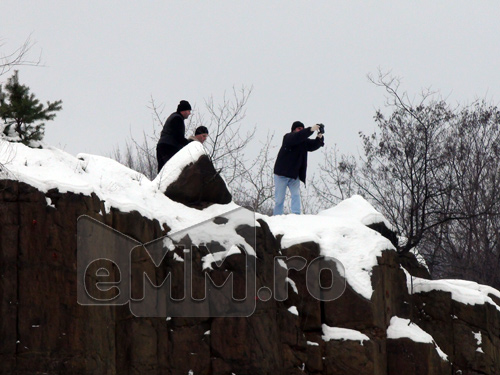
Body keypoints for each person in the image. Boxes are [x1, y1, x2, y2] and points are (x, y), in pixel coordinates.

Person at [273, 121, 324, 215]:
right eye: (298, 128)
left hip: (294, 175)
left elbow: (313, 145)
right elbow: (297, 137)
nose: (301, 130)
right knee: (279, 199)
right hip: (281, 175)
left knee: (296, 195)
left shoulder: (303, 142)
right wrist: (310, 130)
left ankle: (296, 215)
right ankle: (277, 217)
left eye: (302, 128)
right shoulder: (288, 138)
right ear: (293, 130)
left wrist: (319, 137)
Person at [156, 100, 192, 172]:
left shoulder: (173, 116)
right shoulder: (177, 119)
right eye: (188, 111)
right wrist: (189, 144)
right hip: (169, 147)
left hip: (161, 146)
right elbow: (179, 137)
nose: (189, 113)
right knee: (171, 171)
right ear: (184, 110)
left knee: (162, 172)